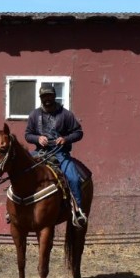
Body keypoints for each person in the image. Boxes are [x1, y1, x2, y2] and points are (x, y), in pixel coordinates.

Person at [24, 85, 87, 226]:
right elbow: (28, 134)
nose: (47, 99)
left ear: (54, 96)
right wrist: (37, 138)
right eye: (44, 97)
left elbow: (78, 132)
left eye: (49, 96)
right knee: (21, 169)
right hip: (40, 151)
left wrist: (65, 139)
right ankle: (14, 208)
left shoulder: (66, 114)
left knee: (73, 178)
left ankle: (78, 210)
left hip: (60, 152)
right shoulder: (34, 115)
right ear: (40, 98)